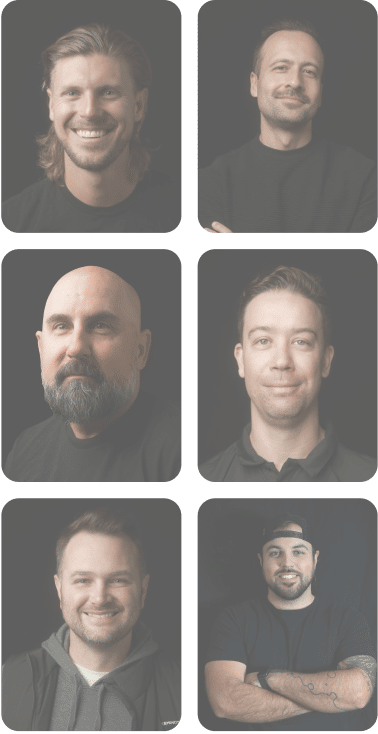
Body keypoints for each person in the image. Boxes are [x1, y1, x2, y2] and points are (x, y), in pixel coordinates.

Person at [2, 508, 181, 732]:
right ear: (59, 590)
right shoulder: (10, 679)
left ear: (143, 590)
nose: (99, 599)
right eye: (83, 580)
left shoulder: (183, 687)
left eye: (117, 580)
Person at [4, 265, 181, 483]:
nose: (76, 348)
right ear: (41, 348)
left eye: (100, 326)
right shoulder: (25, 450)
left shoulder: (183, 447)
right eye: (61, 326)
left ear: (140, 350)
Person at [199, 266, 376, 482]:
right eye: (263, 341)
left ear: (325, 361)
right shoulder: (205, 478)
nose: (282, 361)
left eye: (301, 342)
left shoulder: (369, 477)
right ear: (240, 359)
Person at [198, 19, 377, 233]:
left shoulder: (364, 177)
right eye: (281, 67)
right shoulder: (210, 182)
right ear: (254, 84)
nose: (295, 82)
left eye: (309, 71)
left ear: (320, 93)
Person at [205, 513, 376, 732]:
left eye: (298, 552)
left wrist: (268, 678)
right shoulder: (233, 620)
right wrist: (327, 699)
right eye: (275, 553)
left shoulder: (347, 620)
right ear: (261, 560)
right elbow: (224, 702)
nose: (287, 563)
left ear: (314, 559)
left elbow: (359, 693)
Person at [2, 23, 180, 233]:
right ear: (51, 105)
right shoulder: (10, 223)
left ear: (138, 105)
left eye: (108, 92)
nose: (89, 111)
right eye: (71, 93)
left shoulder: (186, 212)